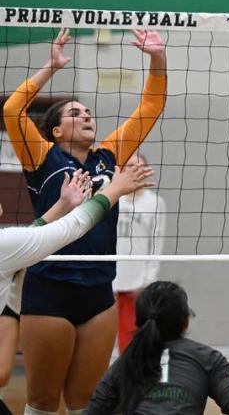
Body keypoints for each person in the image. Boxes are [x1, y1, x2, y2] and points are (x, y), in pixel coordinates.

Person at [2, 26, 167, 415]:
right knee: (42, 403)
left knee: (87, 404)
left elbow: (150, 108)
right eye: (76, 113)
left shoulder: (107, 156)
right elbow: (12, 110)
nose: (87, 116)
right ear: (56, 130)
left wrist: (157, 59)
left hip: (98, 290)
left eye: (89, 112)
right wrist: (51, 67)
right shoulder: (41, 157)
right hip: (48, 287)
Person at [0, 164, 155, 415]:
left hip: (96, 298)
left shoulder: (6, 244)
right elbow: (75, 226)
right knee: (41, 400)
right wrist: (114, 189)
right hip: (47, 302)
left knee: (86, 399)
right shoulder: (4, 245)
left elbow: (31, 235)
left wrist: (62, 204)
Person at [87, 281, 229, 415]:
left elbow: (93, 411)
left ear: (138, 323)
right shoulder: (209, 358)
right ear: (186, 321)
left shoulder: (125, 363)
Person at [114, 152, 167, 354]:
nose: (135, 170)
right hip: (108, 276)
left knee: (131, 334)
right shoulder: (112, 197)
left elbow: (157, 241)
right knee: (106, 335)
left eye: (139, 166)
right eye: (130, 166)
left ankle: (130, 378)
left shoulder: (155, 203)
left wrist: (149, 276)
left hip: (136, 280)